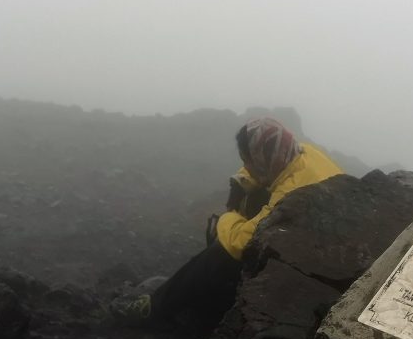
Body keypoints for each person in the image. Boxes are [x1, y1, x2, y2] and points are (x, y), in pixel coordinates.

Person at [112, 117, 343, 326]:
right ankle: (201, 293)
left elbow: (239, 243)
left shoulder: (293, 193)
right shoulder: (300, 152)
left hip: (319, 266)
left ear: (262, 157)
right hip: (327, 236)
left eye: (248, 160)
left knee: (221, 253)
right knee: (248, 203)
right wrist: (241, 181)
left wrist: (228, 217)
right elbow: (259, 168)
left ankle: (154, 309)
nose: (247, 166)